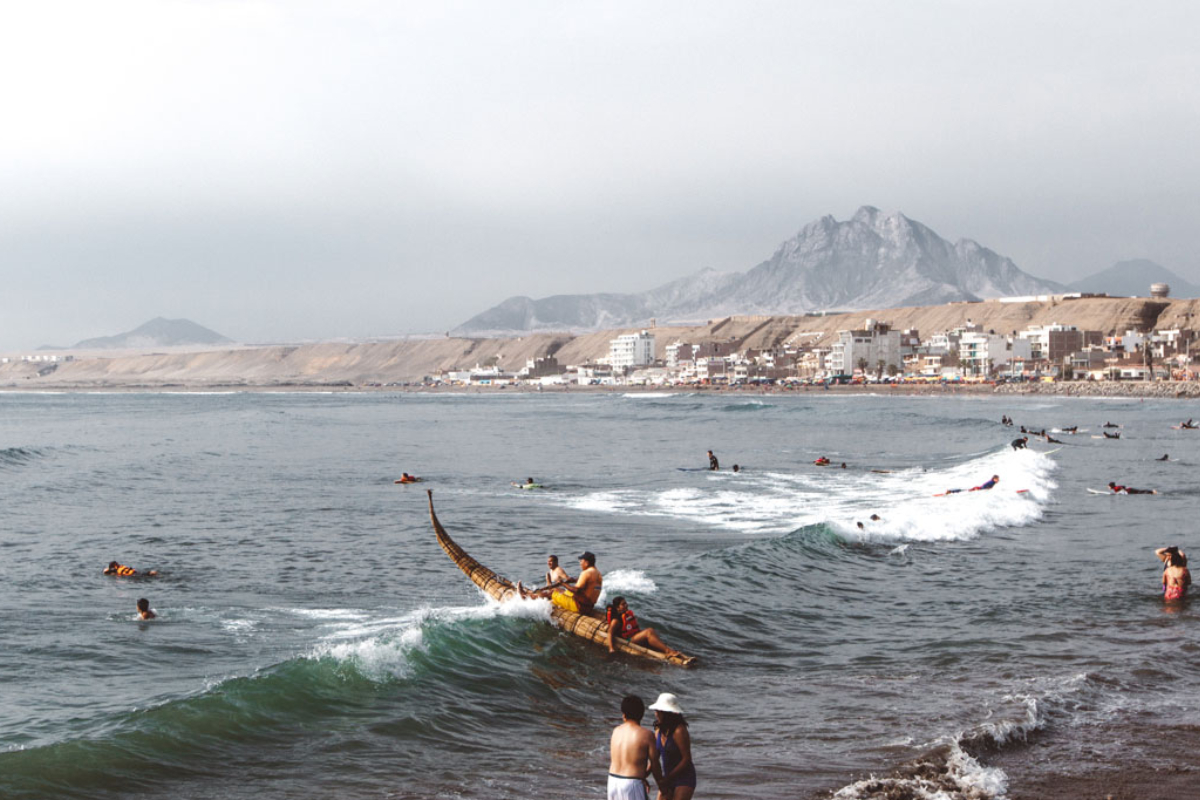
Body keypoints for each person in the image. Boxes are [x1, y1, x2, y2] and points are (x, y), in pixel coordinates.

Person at [608, 695, 665, 800]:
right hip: (631, 783)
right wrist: (662, 787)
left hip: (612, 781)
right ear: (642, 715)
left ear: (624, 715)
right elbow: (655, 764)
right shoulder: (646, 735)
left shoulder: (616, 731)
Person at [518, 551, 602, 613]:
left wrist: (563, 583)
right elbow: (588, 585)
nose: (580, 563)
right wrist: (574, 580)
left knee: (552, 592)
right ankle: (533, 595)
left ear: (586, 562)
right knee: (560, 590)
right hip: (589, 606)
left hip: (579, 606)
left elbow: (576, 590)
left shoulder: (586, 573)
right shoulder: (597, 573)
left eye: (581, 561)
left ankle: (527, 597)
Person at [649, 693, 697, 800]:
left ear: (667, 713)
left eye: (658, 711)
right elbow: (654, 758)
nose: (656, 714)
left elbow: (686, 759)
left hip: (684, 778)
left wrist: (667, 778)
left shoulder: (679, 731)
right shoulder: (658, 731)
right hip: (667, 778)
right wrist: (642, 776)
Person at [605, 596, 681, 658]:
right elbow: (610, 632)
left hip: (633, 636)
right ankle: (668, 651)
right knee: (649, 631)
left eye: (626, 603)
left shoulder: (626, 614)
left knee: (651, 634)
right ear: (618, 608)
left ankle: (665, 649)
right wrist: (611, 648)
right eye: (623, 604)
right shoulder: (616, 620)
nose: (626, 605)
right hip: (627, 640)